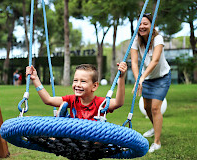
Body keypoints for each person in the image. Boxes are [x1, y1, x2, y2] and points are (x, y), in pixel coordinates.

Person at [26, 63, 127, 121]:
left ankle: (62, 119)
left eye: (83, 81)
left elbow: (118, 102)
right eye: (75, 80)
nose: (78, 84)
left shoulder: (100, 103)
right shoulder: (71, 100)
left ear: (94, 86)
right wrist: (35, 79)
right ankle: (63, 119)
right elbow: (48, 100)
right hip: (73, 138)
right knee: (62, 107)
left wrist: (121, 78)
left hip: (92, 140)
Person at [130, 13, 171, 153]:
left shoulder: (158, 38)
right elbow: (134, 62)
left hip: (161, 77)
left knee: (155, 108)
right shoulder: (136, 40)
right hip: (146, 78)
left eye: (145, 24)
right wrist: (138, 80)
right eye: (140, 24)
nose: (142, 26)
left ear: (152, 25)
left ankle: (157, 142)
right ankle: (155, 127)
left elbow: (155, 61)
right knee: (147, 108)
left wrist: (142, 77)